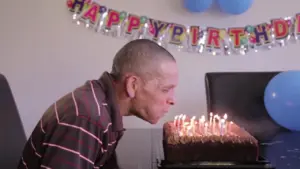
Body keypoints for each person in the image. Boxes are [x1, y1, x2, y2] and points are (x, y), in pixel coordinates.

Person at [18, 39, 179, 169]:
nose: (172, 100)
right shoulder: (86, 117)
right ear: (132, 85)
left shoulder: (103, 105)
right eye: (165, 89)